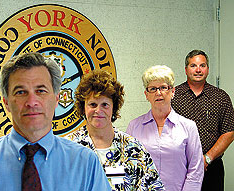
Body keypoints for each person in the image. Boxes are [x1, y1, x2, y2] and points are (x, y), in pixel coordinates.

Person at [0, 52, 111, 191]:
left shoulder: (86, 164)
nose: (32, 102)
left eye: (41, 91)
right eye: (21, 92)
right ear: (6, 102)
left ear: (56, 99)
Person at [66, 69, 164, 191]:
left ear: (114, 107)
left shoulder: (133, 149)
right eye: (92, 104)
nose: (98, 111)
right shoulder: (68, 148)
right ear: (83, 106)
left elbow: (154, 187)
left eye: (105, 105)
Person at [126, 65, 204, 191]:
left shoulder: (189, 127)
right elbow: (128, 167)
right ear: (146, 94)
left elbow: (196, 170)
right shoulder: (134, 127)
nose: (158, 93)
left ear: (172, 91)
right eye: (153, 89)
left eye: (163, 87)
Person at [171, 49, 234, 191]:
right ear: (186, 70)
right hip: (180, 167)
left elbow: (229, 131)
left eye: (202, 65)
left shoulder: (221, 97)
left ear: (208, 69)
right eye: (193, 66)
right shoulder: (173, 96)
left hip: (212, 167)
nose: (198, 70)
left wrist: (207, 159)